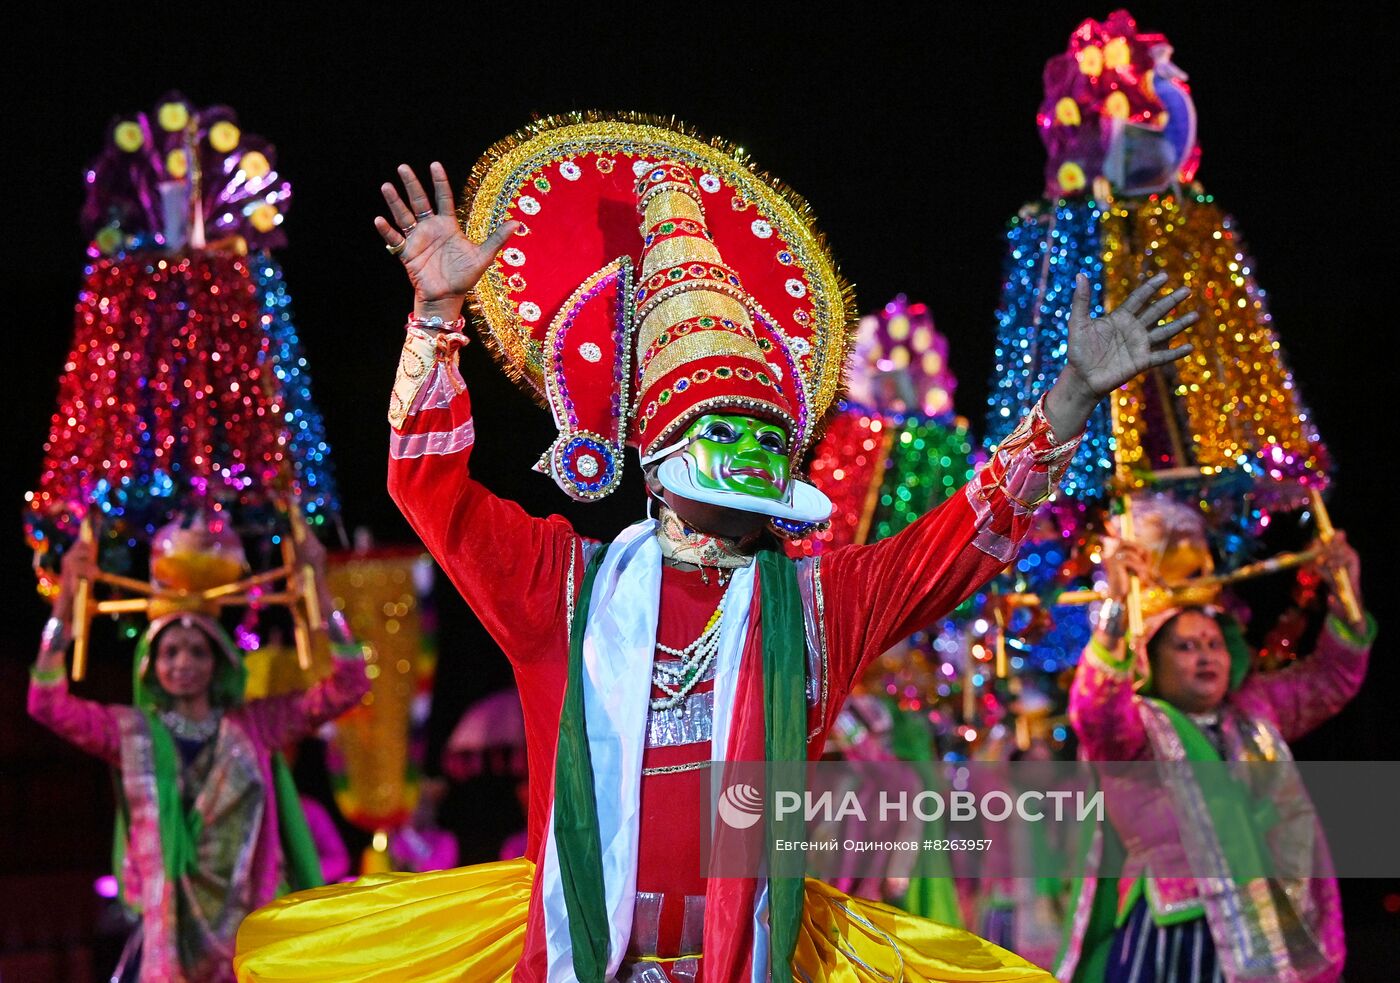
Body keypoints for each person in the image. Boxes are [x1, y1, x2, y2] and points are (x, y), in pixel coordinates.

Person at [236, 118, 1196, 982]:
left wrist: (1070, 395)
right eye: (720, 424)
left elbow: (960, 541)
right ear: (654, 453)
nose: (750, 448)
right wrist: (437, 320)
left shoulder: (818, 604)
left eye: (766, 430)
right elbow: (426, 489)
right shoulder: (564, 587)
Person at [29, 534, 370, 983]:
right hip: (169, 941)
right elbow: (45, 702)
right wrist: (65, 603)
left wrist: (320, 589)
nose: (183, 663)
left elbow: (349, 684)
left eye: (197, 651)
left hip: (248, 931)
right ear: (150, 665)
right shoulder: (132, 734)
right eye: (170, 652)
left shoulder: (255, 725)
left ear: (219, 662)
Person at [1057, 532, 1372, 983]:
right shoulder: (1136, 728)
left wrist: (1345, 591)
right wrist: (1116, 610)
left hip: (1267, 920)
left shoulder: (1254, 712)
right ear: (1151, 659)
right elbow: (1094, 711)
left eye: (1212, 643)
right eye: (1185, 647)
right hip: (1175, 928)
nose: (1204, 656)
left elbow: (1331, 678)